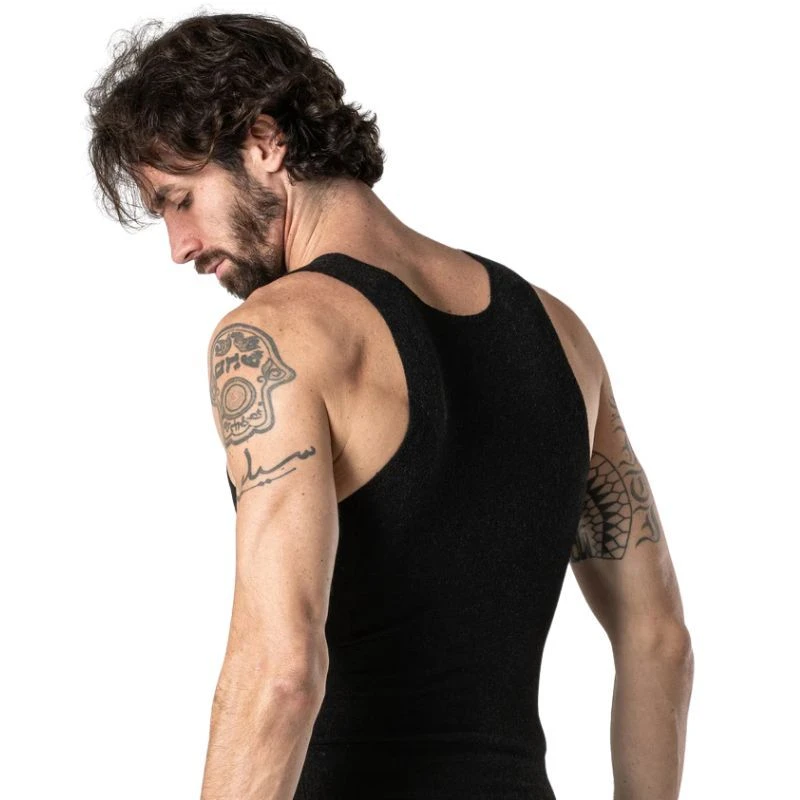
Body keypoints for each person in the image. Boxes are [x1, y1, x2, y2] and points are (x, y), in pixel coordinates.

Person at [85, 12, 694, 800]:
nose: (179, 246)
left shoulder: (277, 335)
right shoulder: (560, 331)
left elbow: (279, 673)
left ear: (264, 142)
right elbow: (659, 639)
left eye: (180, 199)